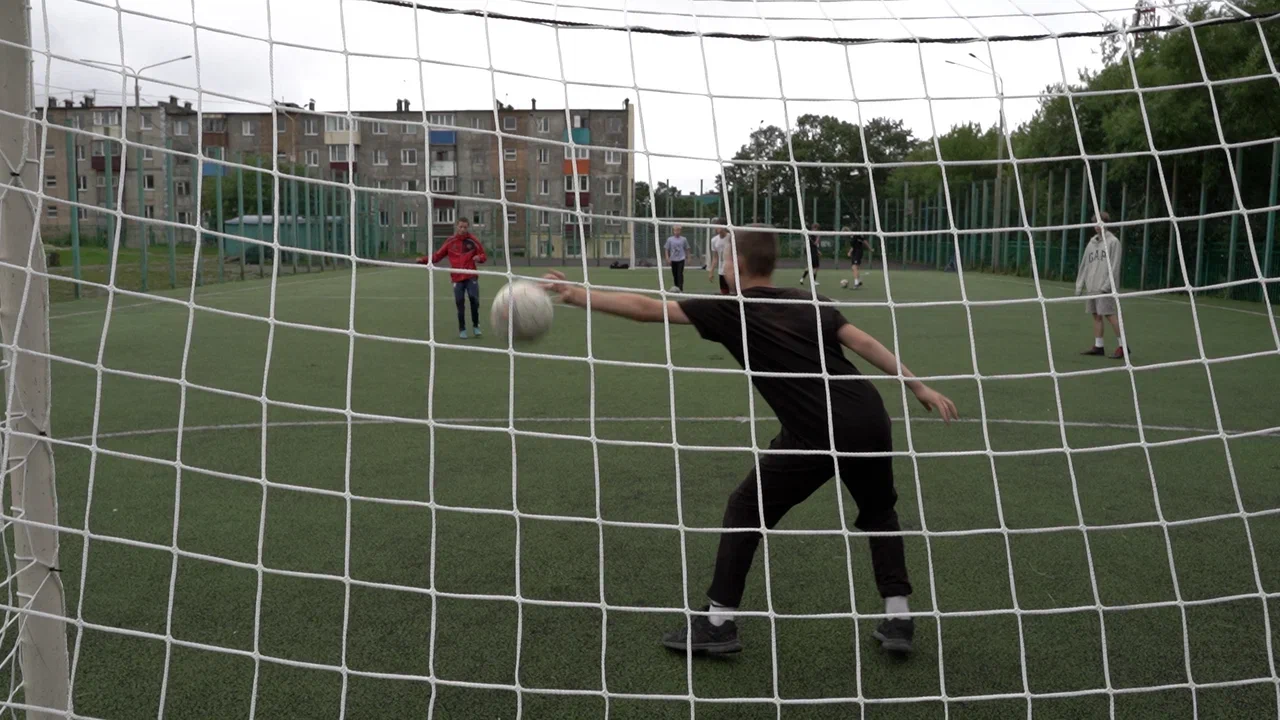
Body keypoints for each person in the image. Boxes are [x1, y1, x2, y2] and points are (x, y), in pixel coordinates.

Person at [541, 225, 958, 657]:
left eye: (723, 258)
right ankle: (899, 616)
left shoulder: (732, 309)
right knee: (879, 512)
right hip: (869, 417)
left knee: (745, 510)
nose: (720, 265)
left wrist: (575, 295)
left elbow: (646, 309)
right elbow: (864, 342)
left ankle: (718, 623)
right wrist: (918, 386)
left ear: (736, 264)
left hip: (818, 429)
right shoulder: (808, 301)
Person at [419, 218, 487, 339]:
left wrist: (479, 258)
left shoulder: (473, 241)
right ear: (457, 227)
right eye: (460, 227)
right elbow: (437, 256)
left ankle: (476, 326)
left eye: (465, 227)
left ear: (468, 228)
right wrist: (424, 260)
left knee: (474, 300)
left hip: (471, 275)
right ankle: (462, 329)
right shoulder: (450, 241)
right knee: (459, 302)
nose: (463, 229)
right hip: (457, 277)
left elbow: (483, 255)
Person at [1075, 212, 1126, 359]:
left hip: (1105, 287)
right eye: (1095, 223)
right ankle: (1098, 346)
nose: (1097, 226)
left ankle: (1123, 346)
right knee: (1096, 315)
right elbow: (1084, 264)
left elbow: (1115, 265)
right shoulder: (1091, 243)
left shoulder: (1113, 242)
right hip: (1092, 287)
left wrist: (1107, 285)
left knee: (1110, 315)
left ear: (1106, 223)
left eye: (1100, 222)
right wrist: (1080, 285)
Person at [707, 218, 731, 295]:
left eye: (719, 226)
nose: (716, 228)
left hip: (732, 269)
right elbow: (715, 257)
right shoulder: (714, 240)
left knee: (734, 291)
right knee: (724, 292)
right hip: (722, 270)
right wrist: (711, 271)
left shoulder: (731, 238)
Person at [664, 225, 689, 292]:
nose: (677, 232)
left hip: (681, 259)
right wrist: (667, 257)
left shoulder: (684, 239)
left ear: (680, 231)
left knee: (679, 274)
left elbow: (687, 248)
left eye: (678, 230)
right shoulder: (670, 239)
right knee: (675, 274)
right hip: (673, 259)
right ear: (673, 231)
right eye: (675, 230)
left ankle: (681, 288)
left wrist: (688, 258)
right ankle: (676, 287)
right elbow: (666, 249)